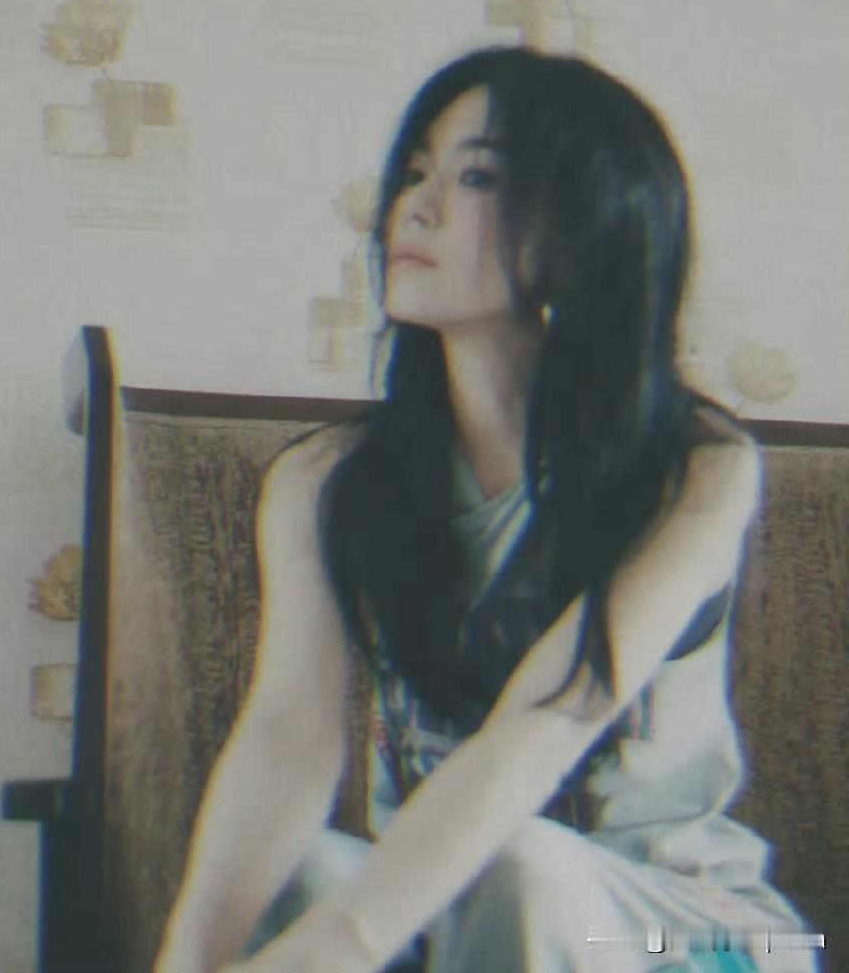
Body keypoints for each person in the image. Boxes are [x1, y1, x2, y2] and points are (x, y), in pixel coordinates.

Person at [154, 48, 818, 973]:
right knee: (294, 876)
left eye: (475, 178)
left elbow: (554, 716)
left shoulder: (696, 471)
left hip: (693, 931)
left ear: (582, 231)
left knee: (521, 868)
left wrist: (337, 947)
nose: (414, 207)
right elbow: (286, 738)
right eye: (415, 173)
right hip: (453, 913)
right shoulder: (325, 481)